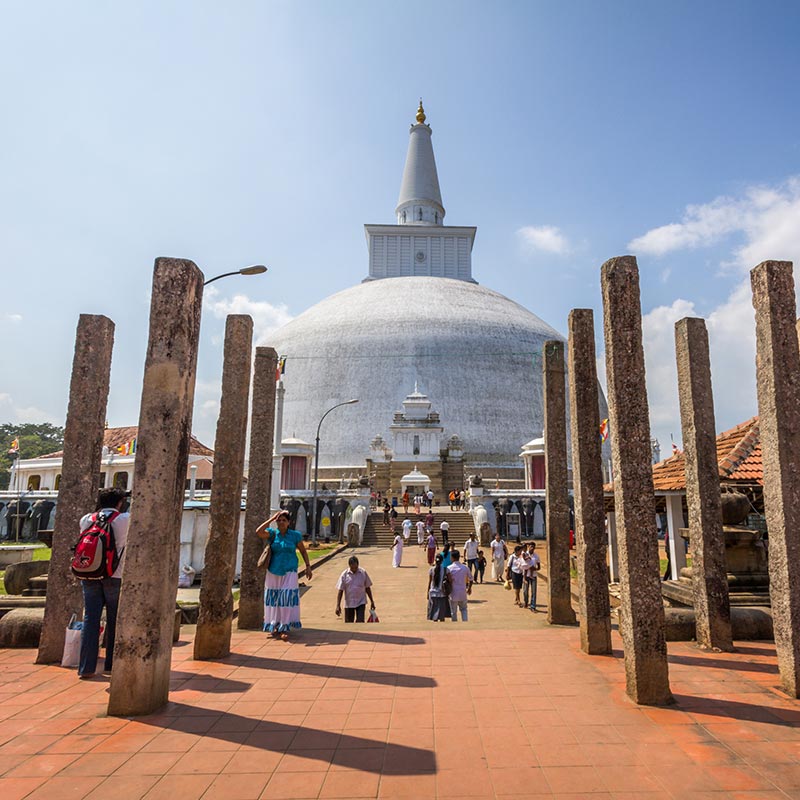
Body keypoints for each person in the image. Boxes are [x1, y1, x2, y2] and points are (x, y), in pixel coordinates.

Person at [77, 487, 129, 679]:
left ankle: (86, 667)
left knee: (90, 619)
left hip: (89, 574)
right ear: (120, 502)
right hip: (114, 574)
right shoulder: (124, 520)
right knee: (115, 619)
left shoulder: (86, 519)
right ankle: (111, 664)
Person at [257, 509, 313, 640]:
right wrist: (271, 519)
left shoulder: (295, 536)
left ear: (289, 522)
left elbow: (303, 551)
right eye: (279, 520)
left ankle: (285, 626)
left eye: (284, 520)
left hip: (290, 570)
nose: (281, 522)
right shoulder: (272, 534)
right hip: (273, 570)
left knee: (286, 598)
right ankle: (274, 625)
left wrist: (308, 567)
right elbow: (258, 532)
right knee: (274, 599)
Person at [335, 556, 375, 622]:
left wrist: (372, 601)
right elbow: (340, 590)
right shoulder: (344, 575)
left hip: (361, 602)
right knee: (349, 624)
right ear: (349, 566)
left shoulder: (363, 573)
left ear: (358, 565)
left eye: (355, 568)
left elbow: (367, 587)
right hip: (349, 603)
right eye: (352, 568)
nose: (354, 569)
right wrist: (338, 605)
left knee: (360, 622)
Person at [446, 549, 472, 622]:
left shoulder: (449, 568)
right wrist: (469, 588)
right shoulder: (465, 567)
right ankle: (465, 622)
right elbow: (471, 578)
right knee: (464, 609)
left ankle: (455, 626)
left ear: (452, 557)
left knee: (453, 612)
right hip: (462, 592)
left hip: (453, 592)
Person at [427, 553, 450, 622]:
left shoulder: (431, 570)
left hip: (433, 592)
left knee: (434, 613)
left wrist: (428, 592)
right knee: (442, 613)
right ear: (442, 561)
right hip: (442, 593)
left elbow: (430, 581)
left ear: (435, 560)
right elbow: (450, 580)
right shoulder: (446, 570)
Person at [522, 542, 541, 611]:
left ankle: (533, 606)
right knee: (525, 591)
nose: (532, 548)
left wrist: (535, 569)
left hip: (534, 575)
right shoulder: (524, 554)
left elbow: (539, 567)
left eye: (533, 547)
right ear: (528, 547)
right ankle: (526, 602)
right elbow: (522, 563)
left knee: (534, 591)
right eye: (530, 546)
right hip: (526, 575)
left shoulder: (536, 556)